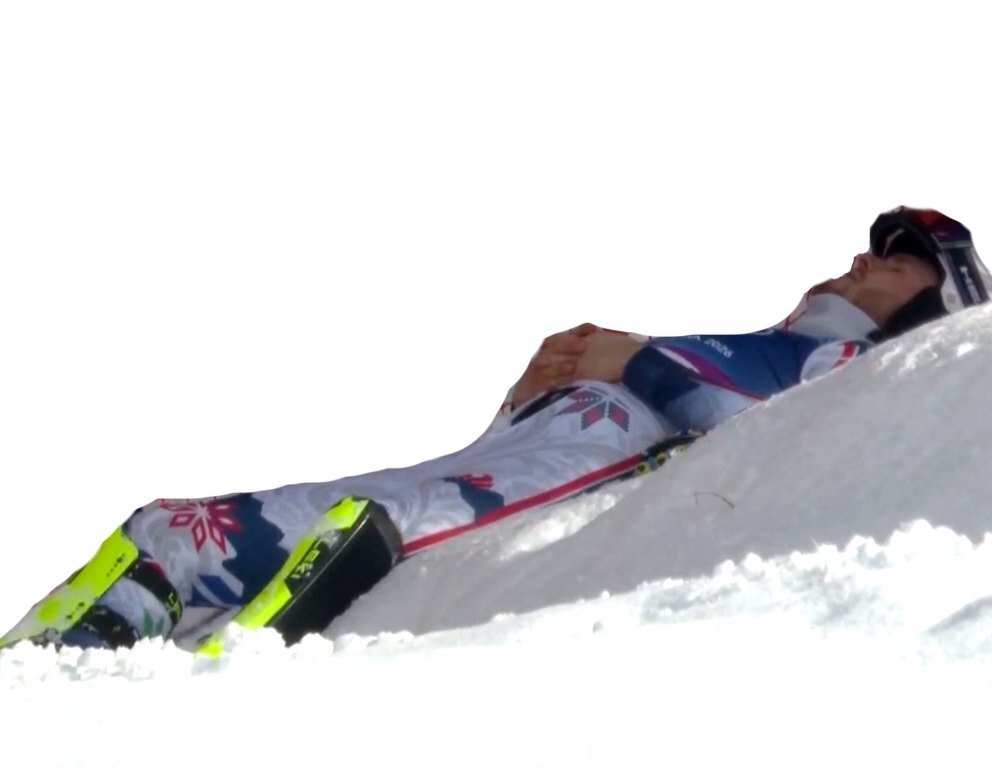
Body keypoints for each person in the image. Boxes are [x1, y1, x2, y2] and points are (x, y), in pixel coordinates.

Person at [2, 206, 989, 653]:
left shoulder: (848, 371)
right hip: (505, 463)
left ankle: (137, 644)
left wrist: (628, 360)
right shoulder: (763, 343)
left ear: (930, 308)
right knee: (171, 526)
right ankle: (62, 652)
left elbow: (757, 434)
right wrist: (538, 387)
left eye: (897, 260)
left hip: (528, 490)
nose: (864, 260)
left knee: (229, 535)